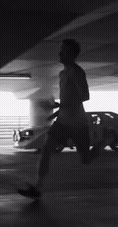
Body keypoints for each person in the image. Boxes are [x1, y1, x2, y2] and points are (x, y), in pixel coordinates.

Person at [18, 39, 106, 199]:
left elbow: (84, 96)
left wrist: (59, 107)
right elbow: (69, 100)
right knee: (45, 151)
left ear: (71, 54)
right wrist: (57, 108)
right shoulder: (62, 74)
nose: (59, 53)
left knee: (85, 159)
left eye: (63, 50)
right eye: (60, 50)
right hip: (62, 122)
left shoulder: (77, 72)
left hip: (78, 123)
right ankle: (37, 188)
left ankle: (106, 141)